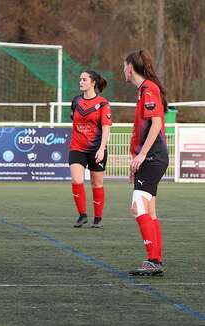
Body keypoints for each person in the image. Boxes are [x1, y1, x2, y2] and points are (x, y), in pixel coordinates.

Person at [123, 50, 169, 276]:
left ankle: (152, 260)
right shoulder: (144, 90)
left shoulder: (148, 89)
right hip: (153, 157)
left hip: (153, 156)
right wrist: (136, 158)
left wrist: (142, 156)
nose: (124, 70)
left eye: (124, 66)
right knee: (149, 210)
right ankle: (156, 261)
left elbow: (157, 124)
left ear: (131, 68)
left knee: (137, 206)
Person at [69, 70, 112, 228]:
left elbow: (106, 128)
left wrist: (102, 149)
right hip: (77, 147)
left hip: (96, 149)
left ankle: (98, 218)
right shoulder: (75, 102)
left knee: (97, 184)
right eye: (80, 79)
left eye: (84, 79)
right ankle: (82, 215)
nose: (80, 82)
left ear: (93, 83)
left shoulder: (103, 103)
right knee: (76, 180)